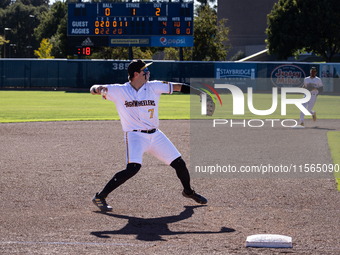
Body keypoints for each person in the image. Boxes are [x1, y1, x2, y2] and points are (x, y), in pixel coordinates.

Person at [90, 59, 207, 212]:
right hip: (135, 136)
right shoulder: (119, 91)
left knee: (179, 163)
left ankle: (188, 191)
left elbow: (178, 87)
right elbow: (93, 89)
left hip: (155, 135)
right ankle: (100, 197)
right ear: (136, 74)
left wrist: (200, 93)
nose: (148, 72)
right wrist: (97, 88)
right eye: (145, 70)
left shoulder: (154, 86)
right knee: (133, 168)